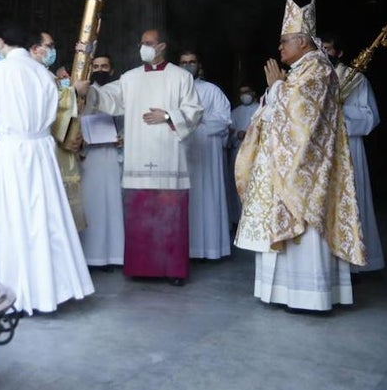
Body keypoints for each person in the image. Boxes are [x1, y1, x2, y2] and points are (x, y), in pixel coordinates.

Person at [234, 0, 365, 311]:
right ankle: (284, 292)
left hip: (306, 173)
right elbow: (273, 111)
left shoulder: (317, 69)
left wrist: (277, 88)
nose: (279, 48)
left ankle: (309, 296)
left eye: (284, 42)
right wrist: (277, 90)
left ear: (302, 42)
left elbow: (301, 116)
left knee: (305, 233)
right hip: (285, 167)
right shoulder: (299, 71)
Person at [0, 21, 94, 315]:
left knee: (14, 222)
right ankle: (53, 291)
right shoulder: (42, 73)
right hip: (42, 153)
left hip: (14, 153)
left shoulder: (0, 71)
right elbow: (53, 114)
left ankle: (19, 295)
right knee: (44, 220)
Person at [75, 28, 203, 286]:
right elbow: (108, 98)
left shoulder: (181, 77)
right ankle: (141, 268)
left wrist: (167, 116)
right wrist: (86, 91)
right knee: (140, 216)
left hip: (169, 157)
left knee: (170, 216)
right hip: (138, 155)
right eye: (141, 42)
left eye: (149, 42)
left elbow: (194, 111)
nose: (143, 46)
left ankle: (173, 271)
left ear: (162, 46)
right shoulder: (130, 78)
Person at [321, 32, 385, 274]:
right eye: (321, 48)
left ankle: (355, 264)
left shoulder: (356, 79)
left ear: (339, 52)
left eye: (328, 49)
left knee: (352, 200)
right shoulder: (314, 77)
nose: (324, 53)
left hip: (349, 146)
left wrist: (340, 116)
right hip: (323, 149)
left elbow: (370, 116)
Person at [178, 49, 232, 260]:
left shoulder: (212, 90)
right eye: (183, 62)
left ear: (199, 65)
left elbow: (224, 120)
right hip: (182, 151)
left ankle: (209, 249)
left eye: (192, 62)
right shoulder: (173, 89)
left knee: (207, 196)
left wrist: (198, 121)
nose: (188, 65)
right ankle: (185, 249)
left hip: (207, 151)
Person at [32, 32, 86, 232]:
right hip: (45, 148)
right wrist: (74, 91)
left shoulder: (47, 74)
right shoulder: (33, 73)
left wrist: (74, 135)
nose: (52, 50)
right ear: (34, 48)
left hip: (59, 147)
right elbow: (47, 108)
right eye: (49, 45)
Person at [78, 54, 125, 268]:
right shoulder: (82, 92)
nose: (100, 70)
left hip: (114, 155)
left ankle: (115, 255)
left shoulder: (120, 90)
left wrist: (124, 137)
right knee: (91, 204)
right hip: (89, 156)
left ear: (111, 70)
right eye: (95, 66)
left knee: (114, 204)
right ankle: (91, 256)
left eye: (104, 66)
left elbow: (127, 120)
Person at [226, 83, 259, 226]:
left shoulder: (260, 109)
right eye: (241, 93)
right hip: (238, 152)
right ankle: (239, 220)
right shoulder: (235, 113)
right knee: (238, 187)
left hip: (255, 153)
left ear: (253, 93)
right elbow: (228, 133)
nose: (244, 95)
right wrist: (236, 135)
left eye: (247, 91)